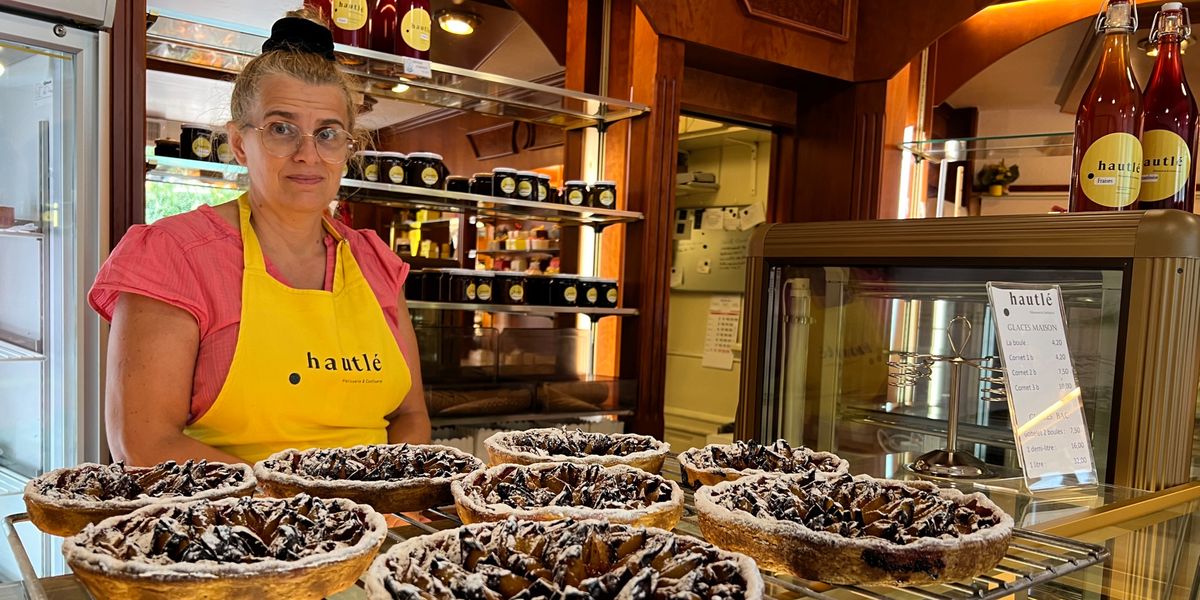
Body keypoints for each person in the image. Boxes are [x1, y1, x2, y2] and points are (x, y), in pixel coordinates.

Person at [89, 14, 430, 466]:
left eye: (327, 134)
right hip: (227, 528)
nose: (308, 154)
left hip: (372, 523)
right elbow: (146, 447)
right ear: (239, 143)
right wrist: (307, 508)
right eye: (281, 129)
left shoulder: (374, 262)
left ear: (346, 148)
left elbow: (411, 417)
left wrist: (373, 503)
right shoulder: (175, 256)